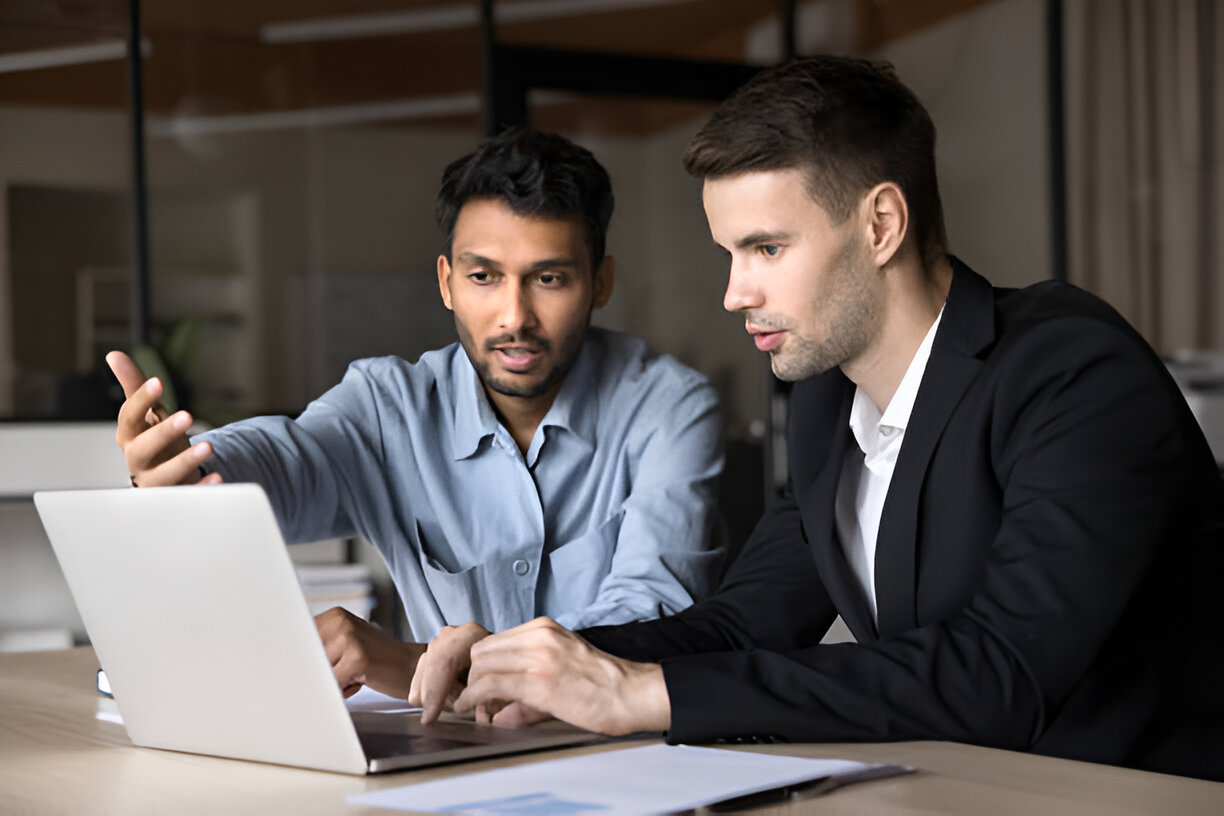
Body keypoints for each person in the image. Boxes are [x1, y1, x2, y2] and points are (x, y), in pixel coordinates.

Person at [402, 57, 1224, 781]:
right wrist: (532, 659)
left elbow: (999, 673)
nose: (735, 293)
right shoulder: (830, 396)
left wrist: (643, 694)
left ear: (881, 225)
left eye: (765, 249)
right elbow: (742, 623)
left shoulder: (1074, 371)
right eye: (731, 254)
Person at [107, 127, 726, 700]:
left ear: (600, 283)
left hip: (621, 758)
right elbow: (287, 459)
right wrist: (183, 469)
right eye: (484, 276)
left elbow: (650, 613)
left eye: (550, 279)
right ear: (447, 282)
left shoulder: (669, 408)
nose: (514, 317)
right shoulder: (388, 408)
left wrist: (434, 662)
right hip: (448, 757)